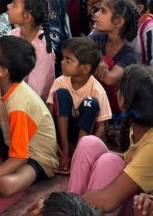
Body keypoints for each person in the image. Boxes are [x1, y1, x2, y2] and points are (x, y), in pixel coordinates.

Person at [67, 65, 153, 213]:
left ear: (122, 101)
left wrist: (57, 202)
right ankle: (70, 207)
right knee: (89, 143)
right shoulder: (139, 128)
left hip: (141, 209)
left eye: (119, 89)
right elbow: (132, 159)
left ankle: (70, 207)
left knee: (109, 163)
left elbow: (108, 200)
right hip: (128, 198)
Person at [0, 35, 59, 211]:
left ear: (3, 71)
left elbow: (20, 157)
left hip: (37, 157)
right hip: (11, 141)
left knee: (3, 185)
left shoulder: (18, 102)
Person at [47, 37, 111, 174]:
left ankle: (77, 154)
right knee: (61, 94)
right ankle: (64, 152)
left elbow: (101, 127)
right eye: (63, 58)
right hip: (62, 135)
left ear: (85, 68)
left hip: (83, 138)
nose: (62, 62)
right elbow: (48, 116)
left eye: (68, 60)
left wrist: (87, 149)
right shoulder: (60, 82)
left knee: (91, 103)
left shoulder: (98, 91)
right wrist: (53, 144)